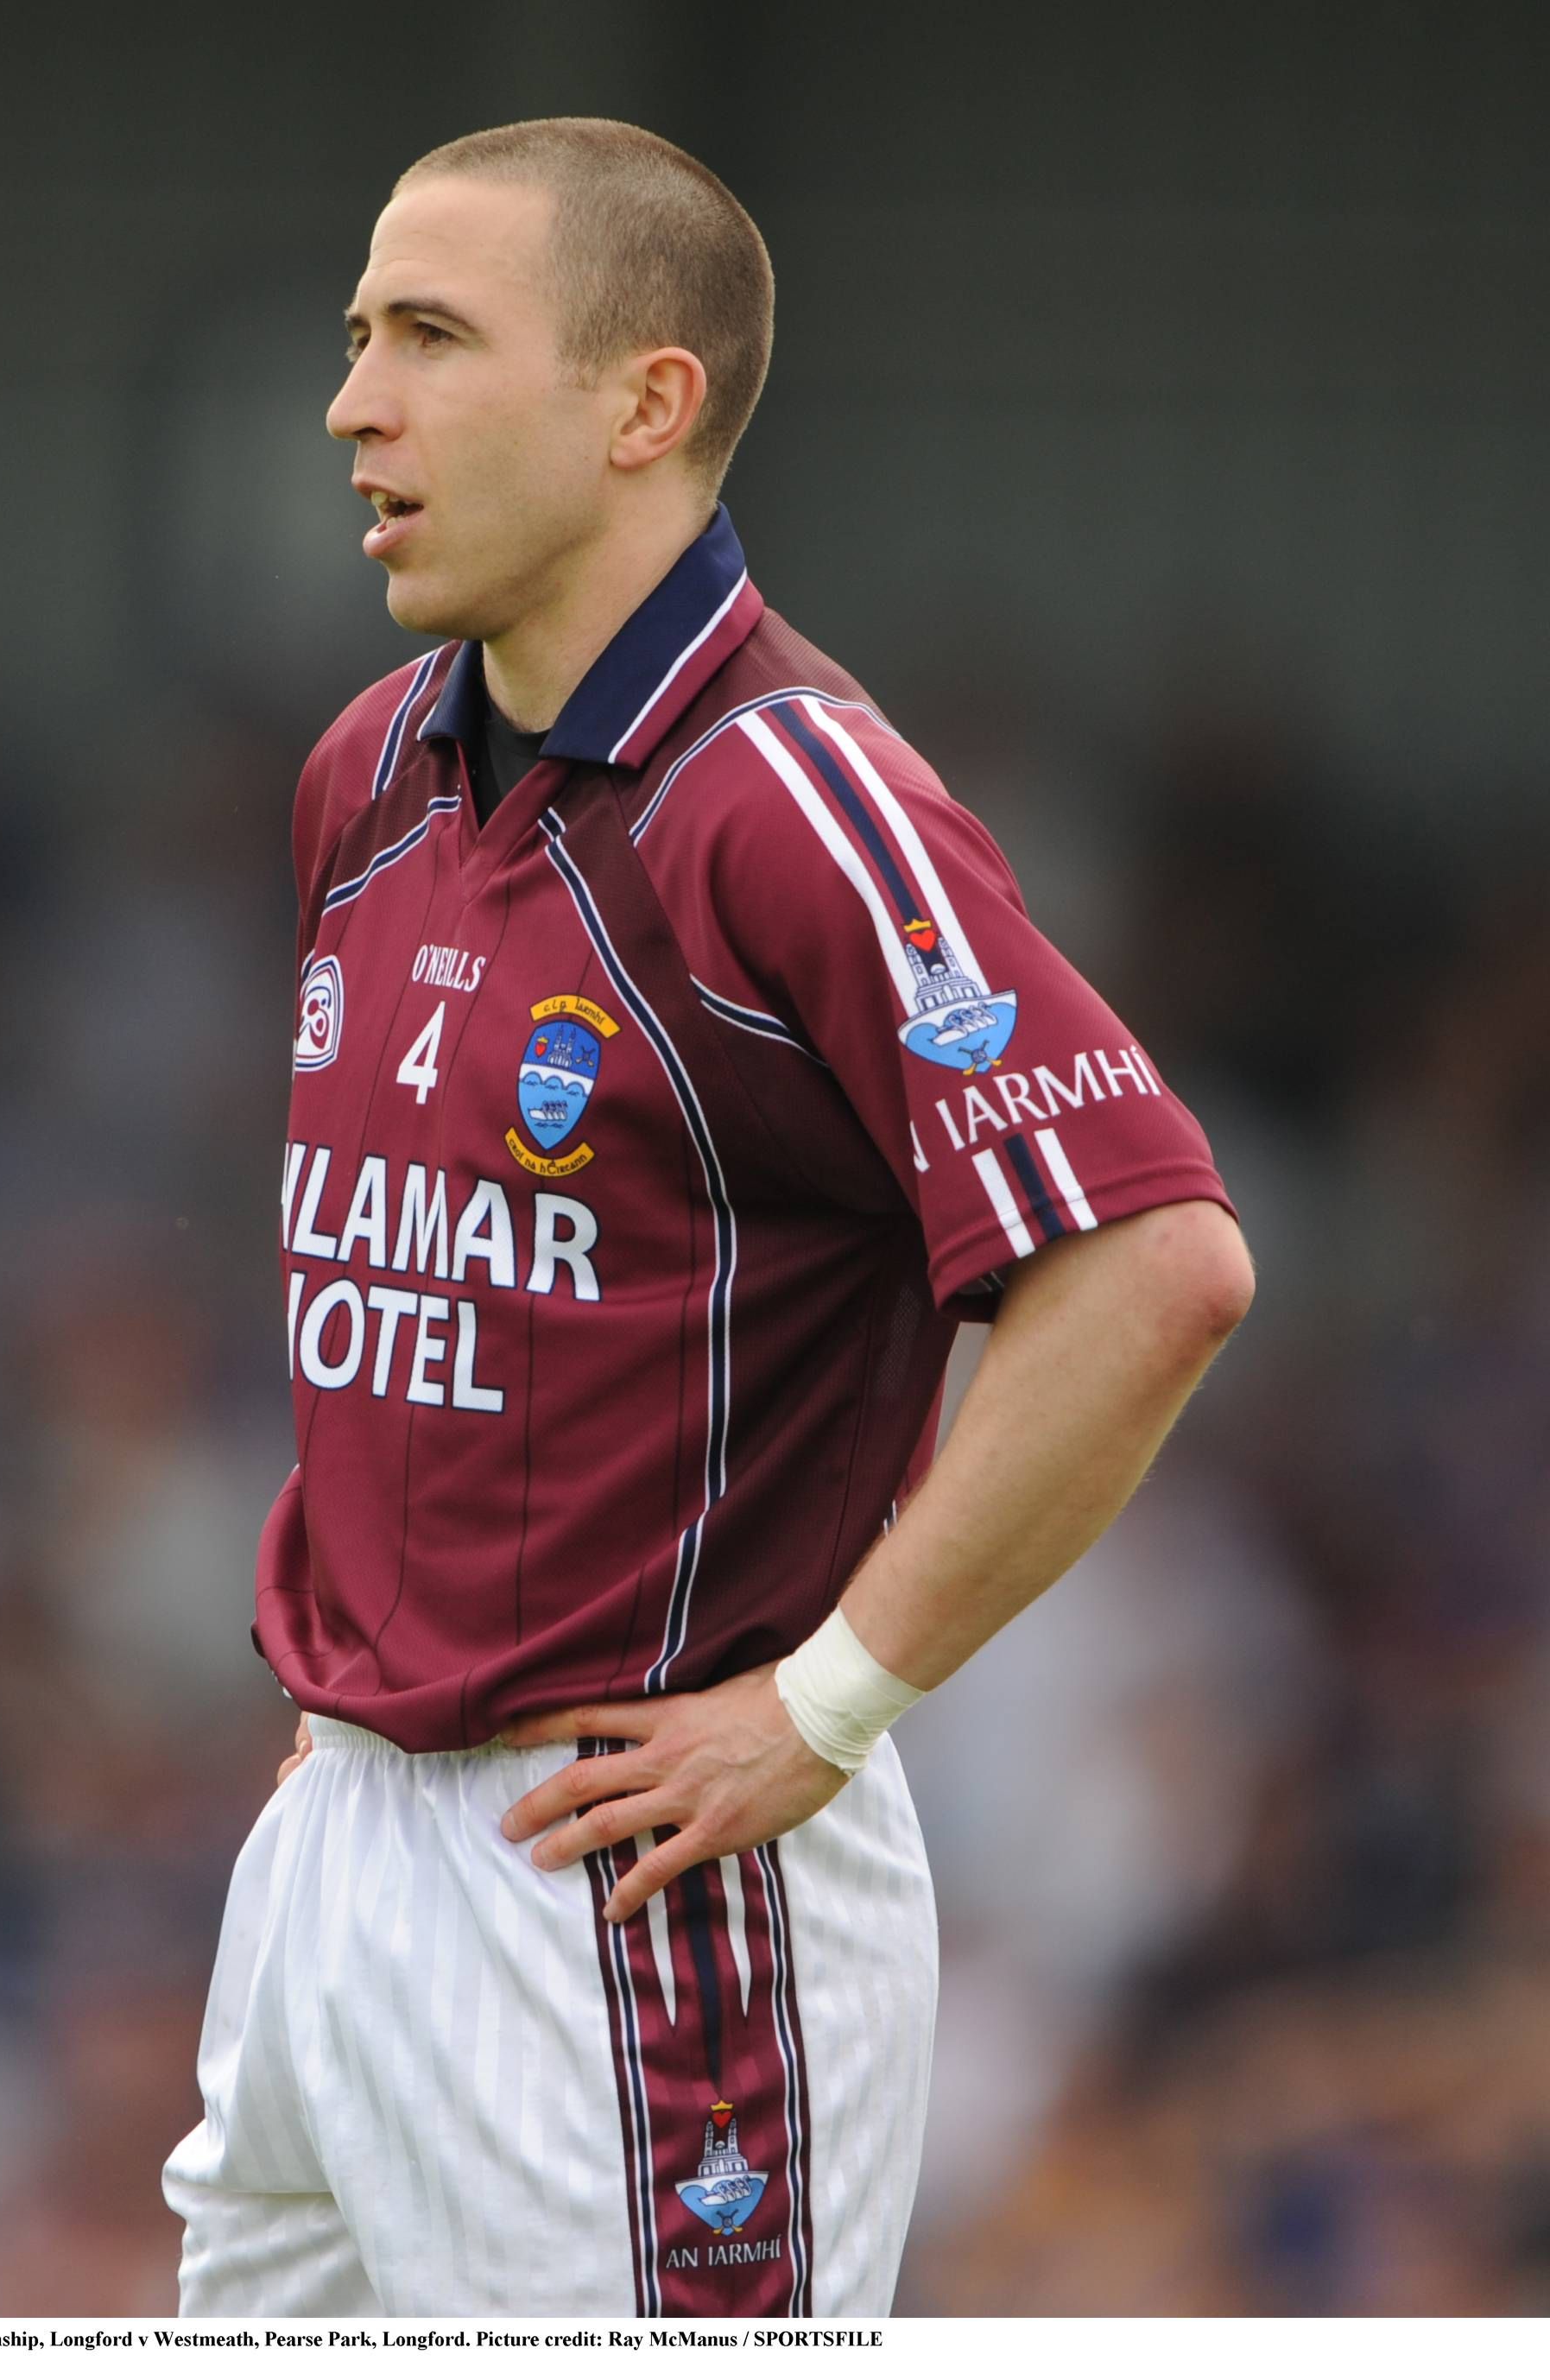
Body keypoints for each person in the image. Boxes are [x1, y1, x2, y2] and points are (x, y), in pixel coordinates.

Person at [162, 117, 1253, 2319]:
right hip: (336, 1857)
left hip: (631, 1889)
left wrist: (824, 1703)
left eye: (430, 337)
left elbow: (1154, 1263)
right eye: (359, 335)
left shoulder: (791, 799)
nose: (352, 403)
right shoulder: (366, 767)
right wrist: (374, 1709)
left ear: (644, 405)